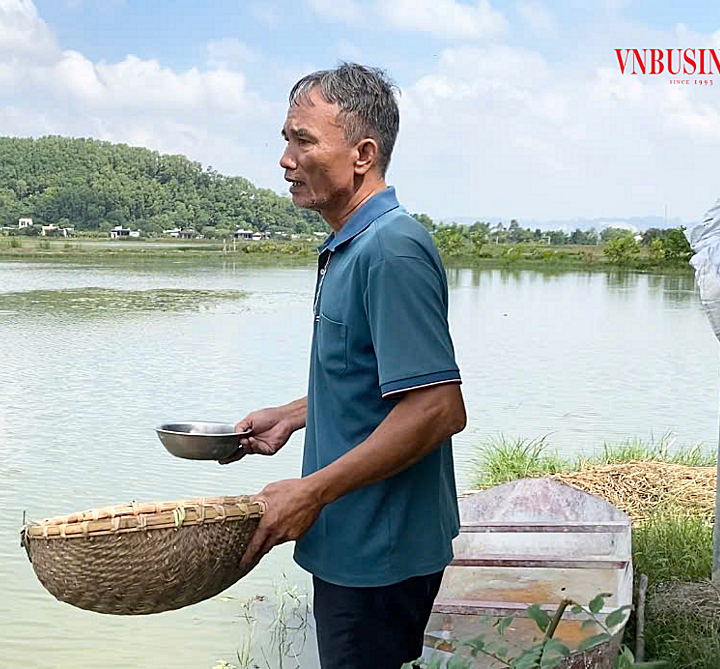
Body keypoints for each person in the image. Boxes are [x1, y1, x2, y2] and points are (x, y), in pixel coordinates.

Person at [219, 62, 468, 668]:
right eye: (285, 138)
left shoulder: (392, 249)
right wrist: (295, 414)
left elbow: (437, 409)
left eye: (303, 141)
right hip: (351, 539)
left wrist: (311, 491)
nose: (285, 158)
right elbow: (380, 379)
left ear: (362, 153)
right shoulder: (352, 245)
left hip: (377, 551)